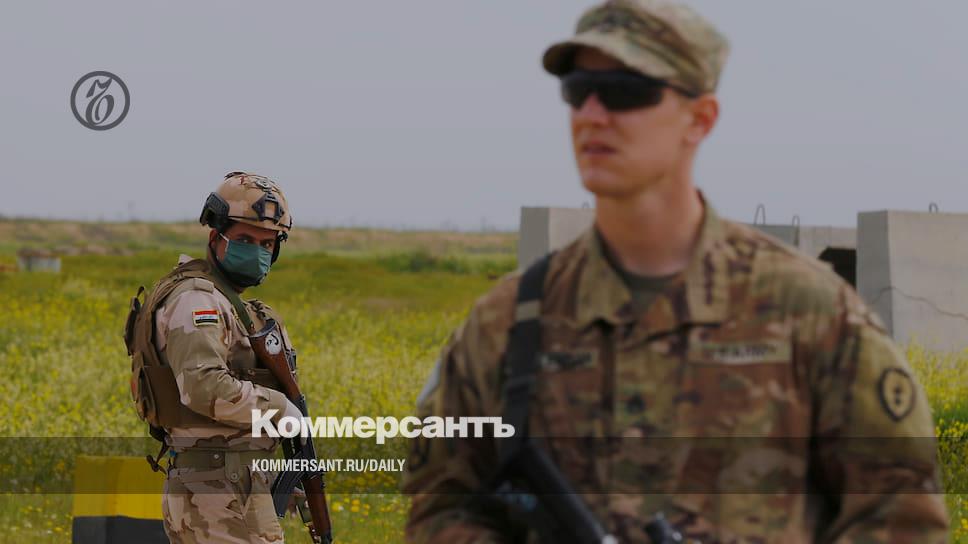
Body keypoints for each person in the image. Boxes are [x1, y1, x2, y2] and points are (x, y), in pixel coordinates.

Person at [400, 1, 949, 542]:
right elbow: (441, 504)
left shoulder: (814, 315)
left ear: (700, 119)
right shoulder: (509, 323)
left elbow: (902, 520)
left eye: (625, 92)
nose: (592, 114)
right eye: (577, 90)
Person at [143, 171, 302, 543]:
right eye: (245, 240)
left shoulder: (226, 302)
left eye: (267, 243)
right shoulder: (198, 300)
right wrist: (280, 408)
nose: (257, 252)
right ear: (216, 238)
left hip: (228, 487)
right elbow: (204, 387)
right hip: (221, 492)